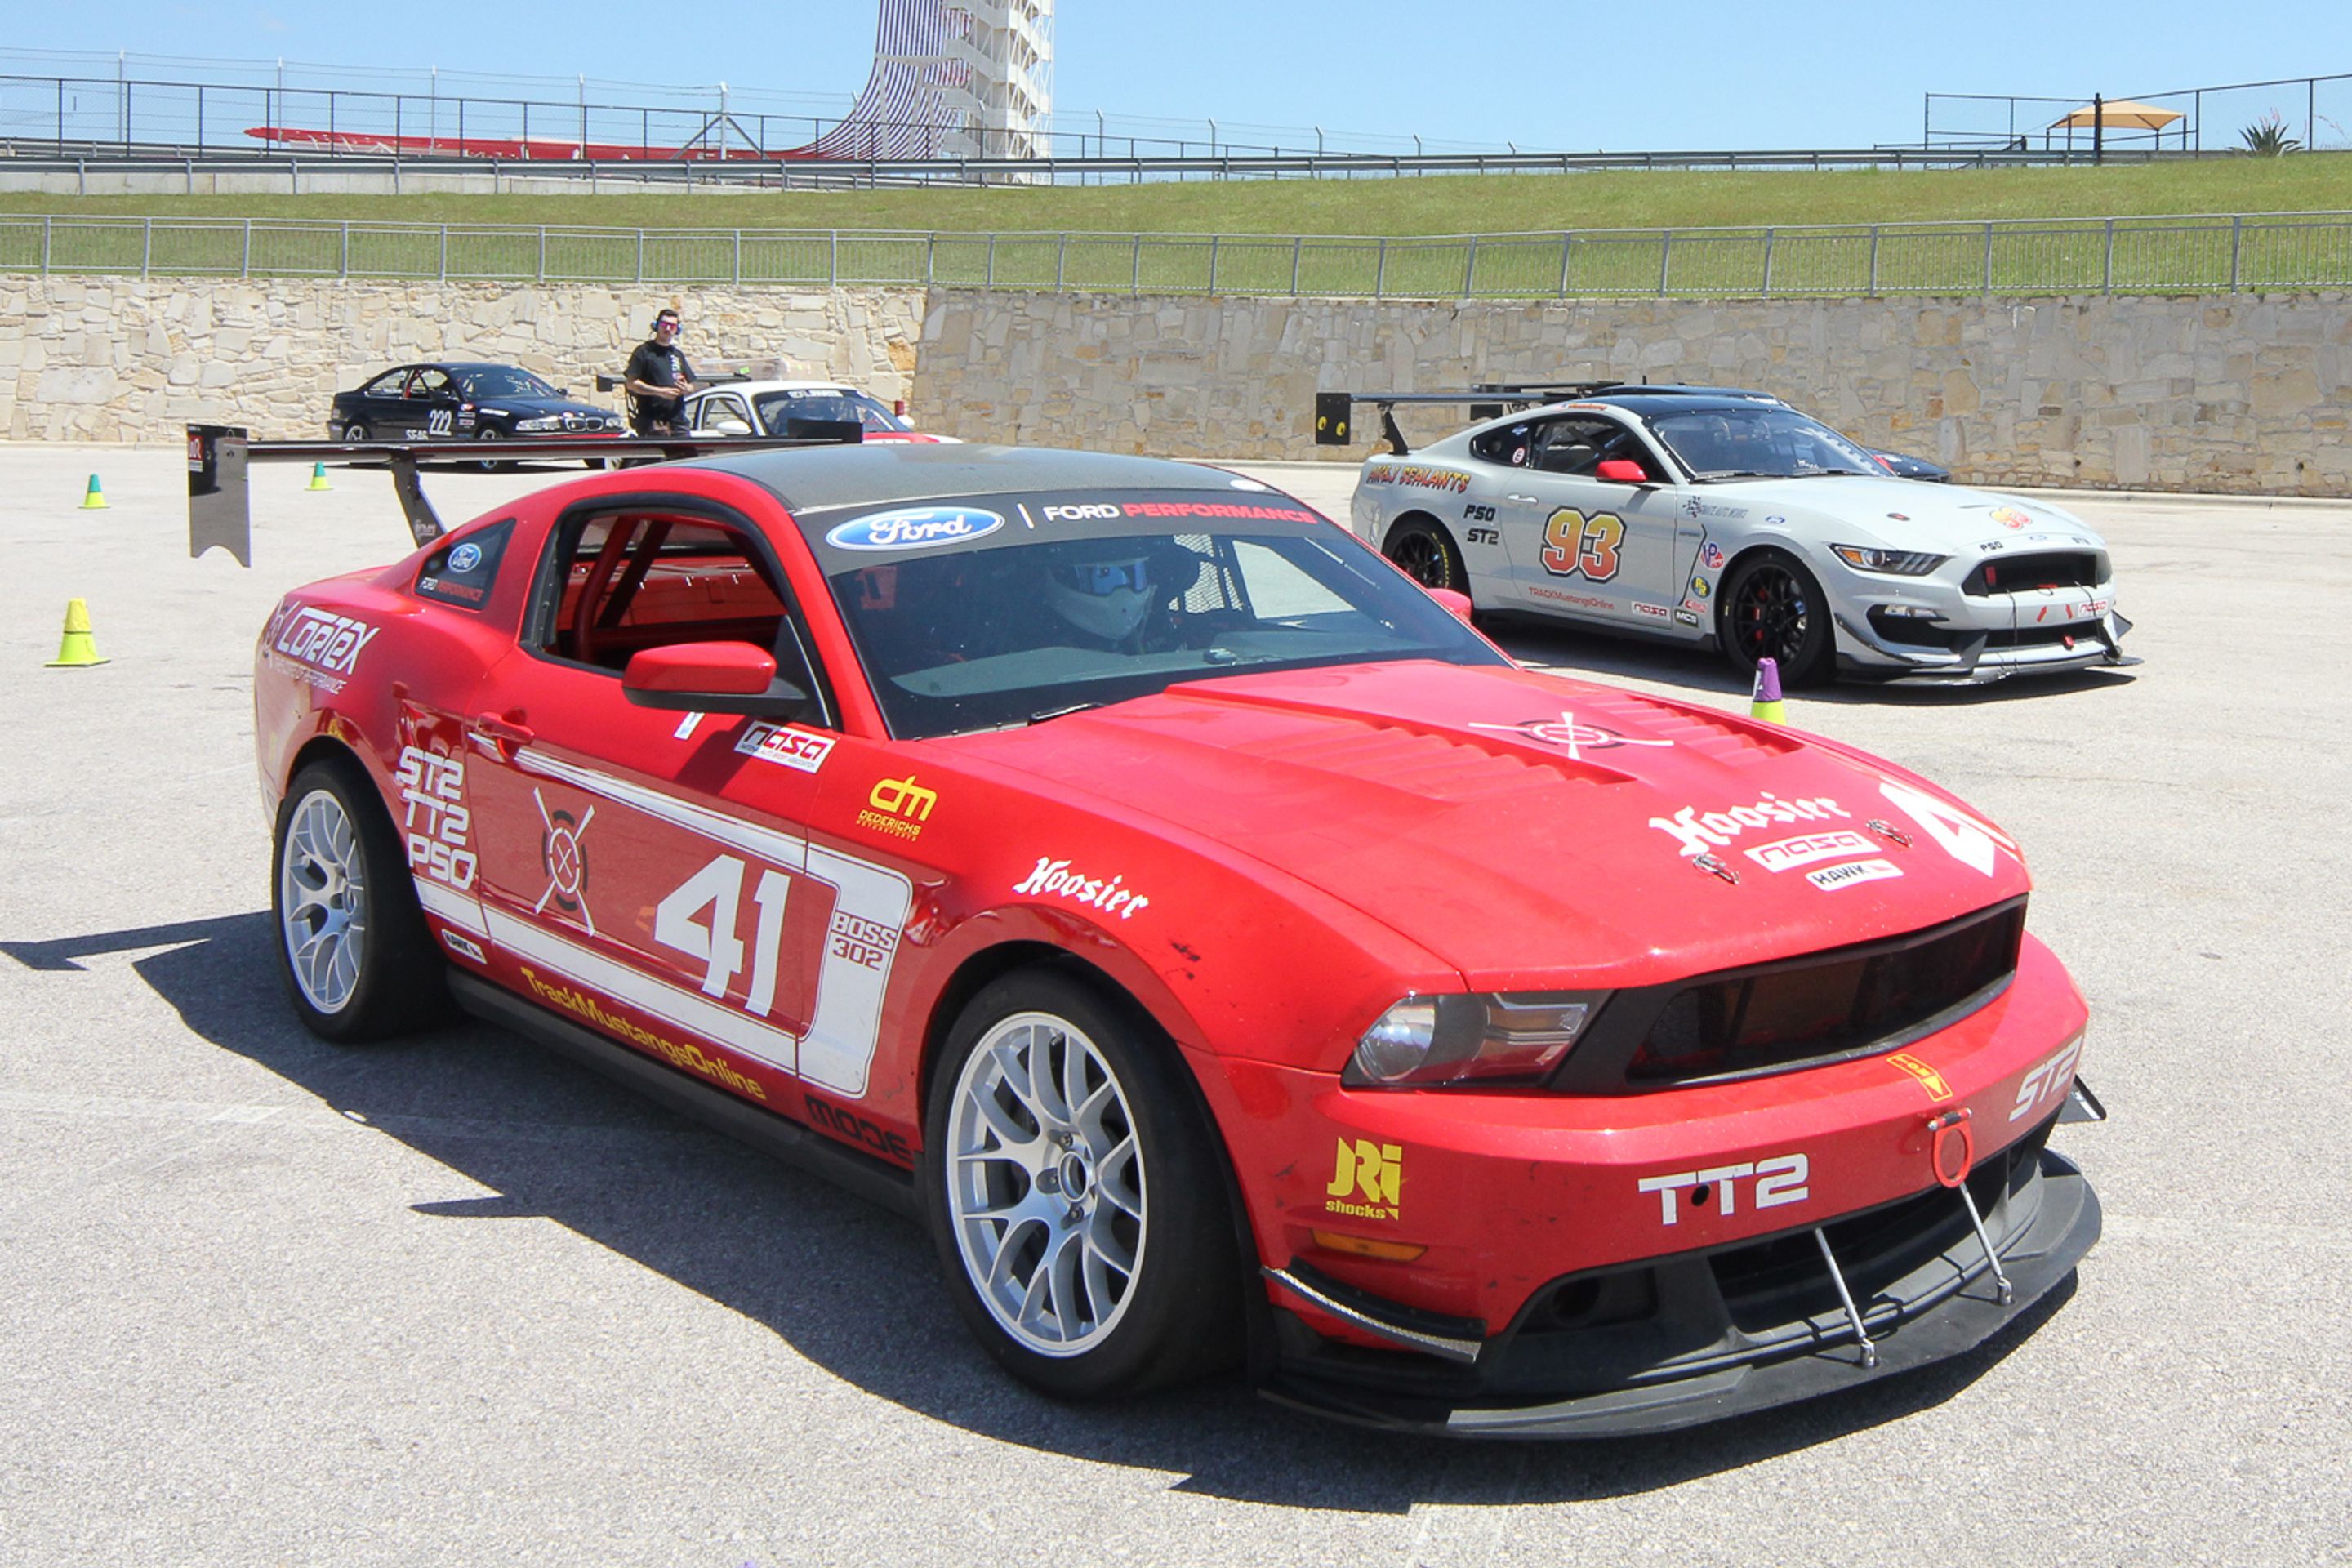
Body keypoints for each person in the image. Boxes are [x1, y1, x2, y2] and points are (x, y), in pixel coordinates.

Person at [623, 308, 699, 434]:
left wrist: (687, 388)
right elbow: (631, 383)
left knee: (689, 454)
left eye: (672, 326)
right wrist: (659, 392)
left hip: (677, 422)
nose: (668, 329)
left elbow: (692, 385)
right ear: (656, 326)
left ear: (677, 329)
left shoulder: (677, 355)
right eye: (664, 324)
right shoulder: (643, 352)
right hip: (651, 422)